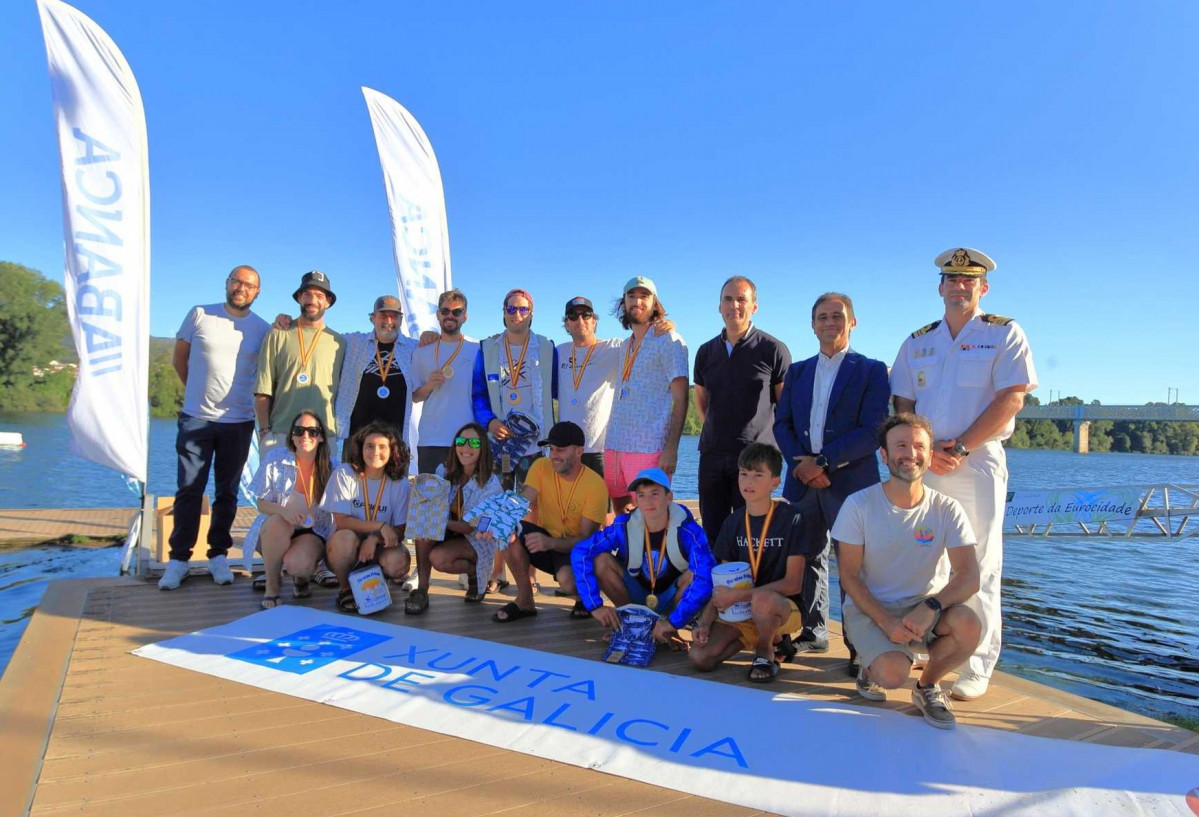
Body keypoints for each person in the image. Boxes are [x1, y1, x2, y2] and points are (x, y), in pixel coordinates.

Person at [889, 247, 1037, 701]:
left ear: (982, 288)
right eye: (951, 279)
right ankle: (930, 643)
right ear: (940, 287)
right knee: (925, 557)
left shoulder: (1004, 333)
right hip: (925, 461)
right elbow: (903, 404)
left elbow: (1012, 397)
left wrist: (962, 445)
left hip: (977, 462)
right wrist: (924, 450)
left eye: (968, 281)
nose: (959, 286)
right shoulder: (919, 341)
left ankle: (978, 661)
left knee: (981, 562)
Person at [831, 413, 981, 729]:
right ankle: (870, 666)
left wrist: (932, 606)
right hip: (872, 609)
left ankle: (927, 686)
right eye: (900, 445)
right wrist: (886, 623)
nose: (910, 454)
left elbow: (969, 576)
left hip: (924, 610)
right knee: (892, 675)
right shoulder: (858, 505)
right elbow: (849, 577)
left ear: (929, 455)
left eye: (918, 446)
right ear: (884, 455)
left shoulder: (947, 509)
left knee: (969, 625)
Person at [773, 292, 890, 662]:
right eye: (821, 317)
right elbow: (782, 424)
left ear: (852, 322)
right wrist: (802, 466)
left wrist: (823, 462)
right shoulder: (798, 371)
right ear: (812, 324)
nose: (829, 323)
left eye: (837, 316)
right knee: (807, 556)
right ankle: (814, 630)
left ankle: (859, 645)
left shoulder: (872, 370)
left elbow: (873, 430)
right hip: (802, 481)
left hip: (851, 482)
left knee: (855, 565)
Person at [160, 265, 271, 591]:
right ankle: (179, 560)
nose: (242, 288)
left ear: (257, 292)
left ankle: (218, 555)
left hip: (238, 422)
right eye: (237, 281)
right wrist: (196, 393)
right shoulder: (199, 315)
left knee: (227, 493)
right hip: (197, 419)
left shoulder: (261, 329)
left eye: (249, 285)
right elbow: (180, 360)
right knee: (189, 490)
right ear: (227, 284)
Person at [689, 444, 818, 682]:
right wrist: (705, 621)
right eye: (744, 474)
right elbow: (722, 582)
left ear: (775, 482)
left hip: (783, 607)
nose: (749, 481)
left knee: (763, 600)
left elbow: (793, 584)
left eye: (758, 475)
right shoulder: (732, 522)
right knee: (700, 658)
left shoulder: (793, 518)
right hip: (744, 609)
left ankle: (765, 651)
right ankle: (774, 643)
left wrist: (737, 596)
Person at [693, 276, 791, 543]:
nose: (734, 305)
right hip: (712, 456)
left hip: (754, 459)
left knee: (752, 533)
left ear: (754, 307)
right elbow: (701, 402)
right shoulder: (705, 352)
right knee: (713, 530)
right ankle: (717, 584)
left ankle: (754, 585)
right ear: (719, 306)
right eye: (728, 299)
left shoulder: (773, 349)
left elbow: (785, 408)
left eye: (741, 299)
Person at [572, 467, 715, 647]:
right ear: (636, 499)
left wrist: (673, 622)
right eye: (641, 495)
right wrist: (595, 605)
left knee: (697, 574)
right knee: (601, 560)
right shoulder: (623, 526)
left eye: (654, 493)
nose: (648, 501)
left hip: (671, 598)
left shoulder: (689, 531)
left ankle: (668, 629)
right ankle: (629, 624)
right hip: (637, 594)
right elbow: (581, 551)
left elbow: (706, 576)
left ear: (669, 497)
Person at [493, 421, 608, 623]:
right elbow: (520, 501)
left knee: (568, 582)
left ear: (579, 451)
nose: (554, 455)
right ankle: (525, 600)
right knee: (508, 530)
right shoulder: (541, 466)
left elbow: (586, 539)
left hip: (577, 550)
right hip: (547, 541)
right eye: (551, 449)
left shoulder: (595, 484)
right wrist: (493, 521)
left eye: (561, 450)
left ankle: (584, 597)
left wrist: (551, 543)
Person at [603, 276, 689, 513]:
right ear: (624, 303)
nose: (637, 302)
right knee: (622, 512)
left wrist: (672, 448)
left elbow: (682, 398)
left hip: (649, 447)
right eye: (631, 296)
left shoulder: (670, 340)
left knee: (653, 515)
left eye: (644, 296)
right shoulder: (624, 346)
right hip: (615, 444)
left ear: (655, 303)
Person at [407, 422, 502, 614]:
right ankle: (422, 590)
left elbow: (469, 527)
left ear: (482, 448)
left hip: (477, 537)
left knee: (439, 558)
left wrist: (437, 521)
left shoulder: (490, 482)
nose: (466, 448)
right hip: (449, 527)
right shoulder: (443, 470)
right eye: (461, 441)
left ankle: (475, 572)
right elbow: (431, 503)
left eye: (474, 443)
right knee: (423, 528)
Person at [243, 410, 335, 610]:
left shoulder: (332, 467)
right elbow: (261, 503)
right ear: (292, 436)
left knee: (298, 564)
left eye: (312, 431)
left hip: (311, 532)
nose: (305, 436)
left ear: (320, 437)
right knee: (277, 523)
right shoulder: (275, 459)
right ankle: (272, 586)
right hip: (275, 532)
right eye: (299, 431)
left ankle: (301, 579)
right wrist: (285, 512)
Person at [472, 288, 558, 490]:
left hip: (537, 445)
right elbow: (478, 395)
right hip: (500, 443)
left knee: (534, 507)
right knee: (497, 503)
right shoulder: (488, 348)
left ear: (531, 314)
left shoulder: (547, 348)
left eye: (523, 309)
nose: (517, 315)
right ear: (503, 313)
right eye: (511, 309)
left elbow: (558, 390)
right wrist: (490, 422)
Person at [322, 422, 411, 613]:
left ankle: (374, 581)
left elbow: (401, 529)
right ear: (360, 448)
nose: (375, 452)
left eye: (382, 447)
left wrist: (374, 538)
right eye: (369, 446)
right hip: (345, 546)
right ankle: (345, 589)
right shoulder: (345, 473)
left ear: (392, 451)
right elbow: (342, 521)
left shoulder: (400, 483)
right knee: (344, 537)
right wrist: (379, 526)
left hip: (378, 546)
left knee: (398, 561)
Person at [254, 270, 346, 452]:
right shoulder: (277, 334)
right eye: (307, 294)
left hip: (323, 436)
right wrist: (265, 430)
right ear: (299, 298)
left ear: (328, 302)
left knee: (321, 482)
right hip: (281, 434)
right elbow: (262, 388)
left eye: (319, 295)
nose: (312, 300)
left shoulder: (339, 342)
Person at [332, 294, 418, 457]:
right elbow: (321, 334)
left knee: (396, 483)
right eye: (383, 315)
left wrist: (432, 335)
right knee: (351, 482)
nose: (389, 321)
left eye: (394, 316)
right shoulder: (353, 342)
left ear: (401, 320)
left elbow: (439, 345)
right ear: (372, 318)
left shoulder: (414, 348)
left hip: (396, 439)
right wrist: (287, 323)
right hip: (356, 438)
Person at [412, 289, 480, 474]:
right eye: (445, 311)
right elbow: (415, 396)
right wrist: (429, 385)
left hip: (467, 439)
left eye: (456, 312)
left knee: (466, 500)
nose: (450, 316)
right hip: (431, 439)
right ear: (438, 315)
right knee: (431, 500)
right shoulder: (422, 351)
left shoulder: (477, 349)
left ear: (464, 317)